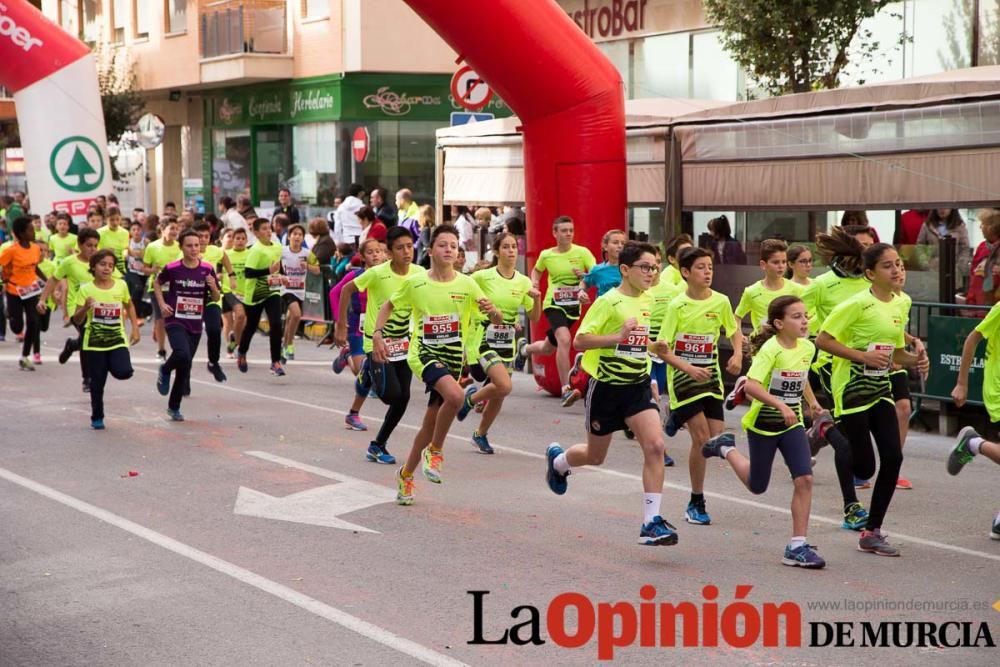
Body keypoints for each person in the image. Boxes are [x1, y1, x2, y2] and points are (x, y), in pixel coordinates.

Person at [545, 241, 679, 546]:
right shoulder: (608, 302)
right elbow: (580, 341)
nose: (651, 272)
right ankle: (559, 463)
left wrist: (652, 348)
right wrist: (616, 336)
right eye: (645, 267)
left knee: (656, 446)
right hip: (606, 388)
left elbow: (635, 341)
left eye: (655, 267)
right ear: (625, 269)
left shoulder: (649, 301)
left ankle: (651, 522)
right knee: (596, 456)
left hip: (637, 385)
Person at [373, 224, 501, 505]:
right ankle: (436, 450)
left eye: (454, 246)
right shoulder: (416, 283)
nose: (449, 250)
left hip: (454, 357)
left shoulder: (467, 283)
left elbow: (496, 318)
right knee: (456, 396)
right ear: (430, 250)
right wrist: (378, 335)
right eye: (443, 244)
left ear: (458, 253)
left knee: (429, 425)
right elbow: (388, 306)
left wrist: (494, 312)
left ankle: (406, 475)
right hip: (423, 352)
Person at [816, 243, 928, 557]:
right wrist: (860, 355)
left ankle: (871, 531)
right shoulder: (855, 305)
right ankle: (826, 429)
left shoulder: (902, 303)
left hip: (879, 388)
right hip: (850, 388)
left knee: (893, 457)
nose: (897, 271)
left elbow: (895, 352)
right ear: (869, 273)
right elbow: (823, 340)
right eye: (888, 266)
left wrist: (916, 360)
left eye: (900, 264)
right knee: (864, 467)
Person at [703, 296, 826, 568]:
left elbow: (801, 376)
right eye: (797, 316)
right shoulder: (771, 349)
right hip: (763, 424)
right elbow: (752, 387)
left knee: (804, 478)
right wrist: (780, 404)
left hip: (791, 424)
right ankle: (726, 448)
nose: (804, 321)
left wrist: (812, 402)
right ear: (779, 323)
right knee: (757, 486)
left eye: (805, 315)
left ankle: (797, 545)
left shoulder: (806, 347)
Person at [656, 247, 742, 526]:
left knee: (715, 440)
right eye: (701, 268)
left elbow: (733, 329)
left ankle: (675, 415)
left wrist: (738, 354)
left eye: (710, 268)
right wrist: (688, 368)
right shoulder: (676, 306)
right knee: (702, 438)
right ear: (685, 272)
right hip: (684, 377)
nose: (708, 273)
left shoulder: (721, 301)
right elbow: (662, 349)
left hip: (711, 378)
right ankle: (696, 500)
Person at [803, 224, 879, 501]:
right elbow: (796, 311)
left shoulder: (870, 281)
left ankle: (823, 430)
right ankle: (851, 503)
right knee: (849, 427)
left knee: (865, 421)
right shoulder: (822, 284)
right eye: (862, 247)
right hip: (832, 363)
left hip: (871, 362)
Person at [337, 227, 424, 460]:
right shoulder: (377, 273)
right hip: (375, 341)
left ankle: (377, 445)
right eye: (400, 248)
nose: (407, 252)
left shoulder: (419, 273)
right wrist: (341, 324)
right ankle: (368, 371)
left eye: (409, 246)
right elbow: (346, 289)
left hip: (404, 342)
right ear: (389, 252)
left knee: (403, 398)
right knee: (389, 396)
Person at [459, 232, 542, 454]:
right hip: (483, 338)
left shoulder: (523, 281)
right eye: (506, 247)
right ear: (496, 251)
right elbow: (464, 293)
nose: (511, 251)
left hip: (506, 343)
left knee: (500, 392)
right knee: (504, 385)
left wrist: (536, 298)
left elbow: (534, 317)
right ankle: (470, 400)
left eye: (514, 246)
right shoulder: (483, 277)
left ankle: (480, 434)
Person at [519, 216, 597, 406]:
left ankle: (525, 348)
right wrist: (535, 281)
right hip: (553, 304)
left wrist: (583, 280)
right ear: (555, 233)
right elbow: (537, 270)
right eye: (564, 230)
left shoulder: (582, 252)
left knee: (548, 347)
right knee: (564, 339)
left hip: (573, 306)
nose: (568, 234)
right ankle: (566, 388)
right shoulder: (547, 255)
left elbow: (594, 275)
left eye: (571, 230)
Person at [154, 229, 220, 421]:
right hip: (175, 319)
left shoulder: (207, 269)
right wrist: (162, 304)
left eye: (196, 245)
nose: (193, 249)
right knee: (181, 354)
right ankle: (165, 369)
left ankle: (174, 407)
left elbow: (215, 298)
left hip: (195, 322)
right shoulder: (173, 268)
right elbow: (157, 283)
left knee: (185, 365)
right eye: (189, 245)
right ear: (181, 247)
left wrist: (213, 286)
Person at [74, 249, 140, 429]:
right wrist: (85, 307)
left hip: (117, 339)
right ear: (93, 267)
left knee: (123, 371)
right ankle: (97, 416)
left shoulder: (121, 286)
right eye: (102, 264)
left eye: (110, 265)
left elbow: (130, 305)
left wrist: (135, 328)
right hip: (94, 343)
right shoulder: (86, 289)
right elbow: (77, 319)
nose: (107, 268)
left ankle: (111, 363)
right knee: (97, 384)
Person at [39, 228, 103, 390]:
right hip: (77, 308)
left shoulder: (101, 261)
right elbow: (53, 280)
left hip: (97, 308)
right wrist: (42, 299)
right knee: (87, 338)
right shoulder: (69, 262)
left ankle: (72, 345)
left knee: (90, 340)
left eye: (96, 246)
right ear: (80, 245)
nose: (93, 249)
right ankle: (87, 378)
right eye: (89, 245)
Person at [330, 238, 384, 431]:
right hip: (356, 327)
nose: (375, 254)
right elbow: (335, 293)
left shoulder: (387, 276)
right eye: (370, 252)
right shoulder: (356, 275)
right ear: (362, 256)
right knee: (362, 372)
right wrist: (340, 322)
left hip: (379, 329)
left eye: (378, 250)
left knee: (375, 375)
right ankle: (353, 415)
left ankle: (346, 355)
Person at [237, 217, 285, 376]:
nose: (268, 231)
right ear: (256, 233)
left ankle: (275, 362)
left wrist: (282, 276)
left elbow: (278, 266)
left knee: (276, 324)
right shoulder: (255, 250)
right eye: (263, 229)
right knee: (251, 326)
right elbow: (248, 273)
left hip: (272, 290)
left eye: (269, 228)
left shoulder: (277, 247)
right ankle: (242, 352)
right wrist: (268, 272)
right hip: (255, 292)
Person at [0, 217, 44, 370]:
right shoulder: (11, 251)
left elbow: (35, 267)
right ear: (21, 233)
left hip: (31, 290)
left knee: (34, 321)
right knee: (17, 327)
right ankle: (11, 315)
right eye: (30, 229)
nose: (33, 232)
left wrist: (48, 280)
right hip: (14, 291)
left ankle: (25, 356)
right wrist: (2, 281)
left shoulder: (36, 248)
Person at [735, 239, 804, 335]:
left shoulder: (797, 290)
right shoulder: (751, 291)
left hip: (789, 346)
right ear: (763, 265)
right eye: (776, 262)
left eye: (784, 262)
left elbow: (806, 318)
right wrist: (740, 336)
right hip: (760, 346)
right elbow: (737, 317)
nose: (781, 266)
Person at [195, 222, 235, 382]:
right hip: (191, 299)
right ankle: (184, 375)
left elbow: (224, 256)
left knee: (213, 329)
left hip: (212, 297)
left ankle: (213, 362)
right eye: (200, 237)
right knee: (192, 338)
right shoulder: (185, 253)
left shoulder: (215, 250)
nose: (204, 240)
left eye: (206, 236)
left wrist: (231, 275)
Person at [143, 219, 183, 362]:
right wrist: (152, 270)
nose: (174, 231)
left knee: (175, 319)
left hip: (176, 287)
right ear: (163, 229)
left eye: (176, 229)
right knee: (160, 319)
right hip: (156, 287)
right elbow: (144, 268)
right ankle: (161, 350)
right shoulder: (152, 247)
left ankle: (177, 348)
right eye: (171, 228)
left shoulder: (180, 246)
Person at [281, 224, 310, 361]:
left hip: (300, 289)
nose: (297, 237)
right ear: (289, 237)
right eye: (294, 234)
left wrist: (308, 266)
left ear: (303, 238)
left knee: (290, 319)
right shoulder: (282, 252)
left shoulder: (307, 253)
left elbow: (317, 269)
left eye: (300, 234)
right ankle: (290, 344)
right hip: (286, 289)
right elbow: (273, 266)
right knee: (297, 315)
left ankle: (284, 345)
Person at [916, 208, 971, 275]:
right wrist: (924, 264)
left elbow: (965, 248)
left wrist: (960, 266)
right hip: (931, 271)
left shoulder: (959, 226)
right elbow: (920, 246)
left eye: (946, 207)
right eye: (940, 207)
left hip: (953, 271)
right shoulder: (927, 226)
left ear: (952, 209)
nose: (942, 210)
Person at [222, 227, 249, 357]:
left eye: (243, 238)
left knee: (242, 320)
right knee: (228, 321)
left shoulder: (250, 254)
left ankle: (235, 341)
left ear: (247, 240)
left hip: (245, 292)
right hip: (228, 292)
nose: (240, 241)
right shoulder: (225, 254)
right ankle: (230, 344)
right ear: (232, 240)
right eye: (237, 238)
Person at [965, 209, 1000, 309]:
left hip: (995, 305)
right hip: (977, 301)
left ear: (992, 227)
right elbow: (973, 273)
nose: (980, 227)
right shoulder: (982, 247)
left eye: (983, 224)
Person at [124, 220, 149, 321]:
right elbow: (125, 255)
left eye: (138, 229)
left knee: (138, 294)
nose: (136, 232)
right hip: (131, 270)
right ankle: (136, 315)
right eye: (133, 229)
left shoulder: (146, 242)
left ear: (141, 231)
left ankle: (136, 313)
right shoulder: (128, 242)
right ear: (130, 232)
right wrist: (127, 254)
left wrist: (140, 255)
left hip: (143, 272)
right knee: (137, 289)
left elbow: (148, 255)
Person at [97, 207, 130, 275]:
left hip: (121, 269)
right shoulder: (99, 233)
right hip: (105, 269)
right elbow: (94, 251)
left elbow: (125, 249)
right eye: (111, 220)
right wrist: (104, 251)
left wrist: (126, 253)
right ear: (106, 219)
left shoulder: (125, 232)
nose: (115, 222)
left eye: (117, 219)